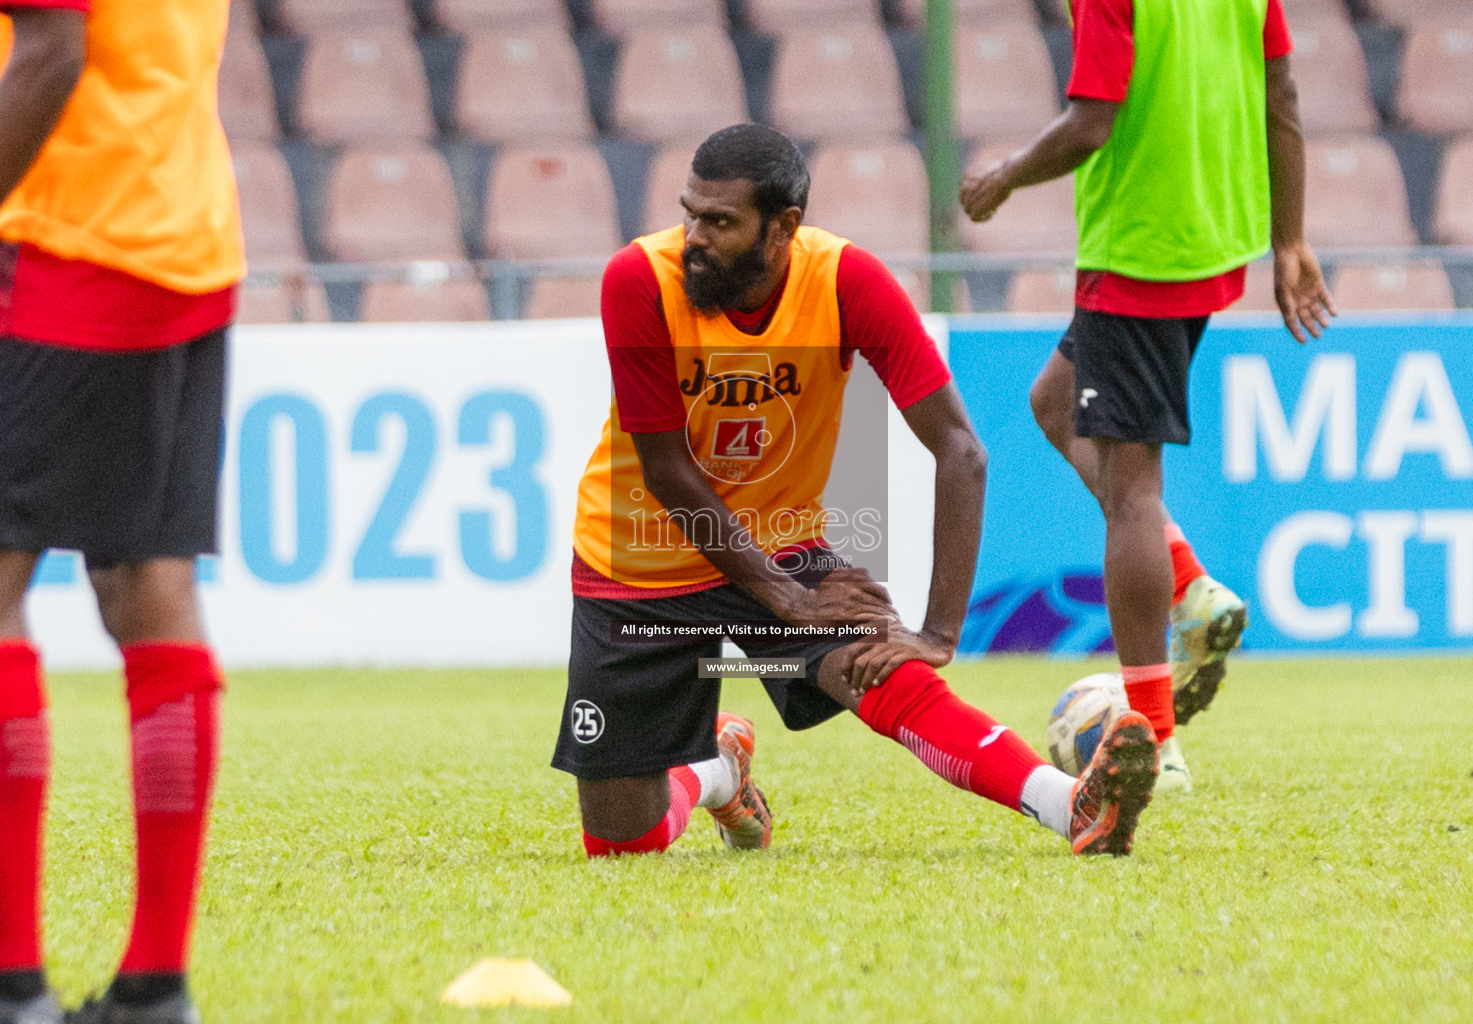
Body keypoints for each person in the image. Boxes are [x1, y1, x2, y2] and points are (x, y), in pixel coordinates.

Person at [554, 123, 1160, 866]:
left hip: (777, 541)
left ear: (784, 228)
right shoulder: (638, 280)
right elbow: (669, 471)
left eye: (720, 222)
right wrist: (789, 597)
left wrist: (936, 633)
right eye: (690, 213)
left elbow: (962, 451)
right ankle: (718, 772)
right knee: (623, 845)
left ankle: (1071, 805)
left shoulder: (846, 281)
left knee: (881, 668)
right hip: (636, 560)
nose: (694, 238)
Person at [960, 0, 1336, 792]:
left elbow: (1093, 121)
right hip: (1211, 241)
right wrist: (1291, 238)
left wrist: (1002, 178)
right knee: (1055, 403)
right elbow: (1284, 96)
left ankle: (1154, 743)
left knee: (1132, 489)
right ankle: (1191, 588)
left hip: (1138, 253)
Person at [0, 0, 243, 1020]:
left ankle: (5, 983)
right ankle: (154, 984)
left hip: (62, 243)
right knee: (151, 584)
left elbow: (52, 50)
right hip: (184, 238)